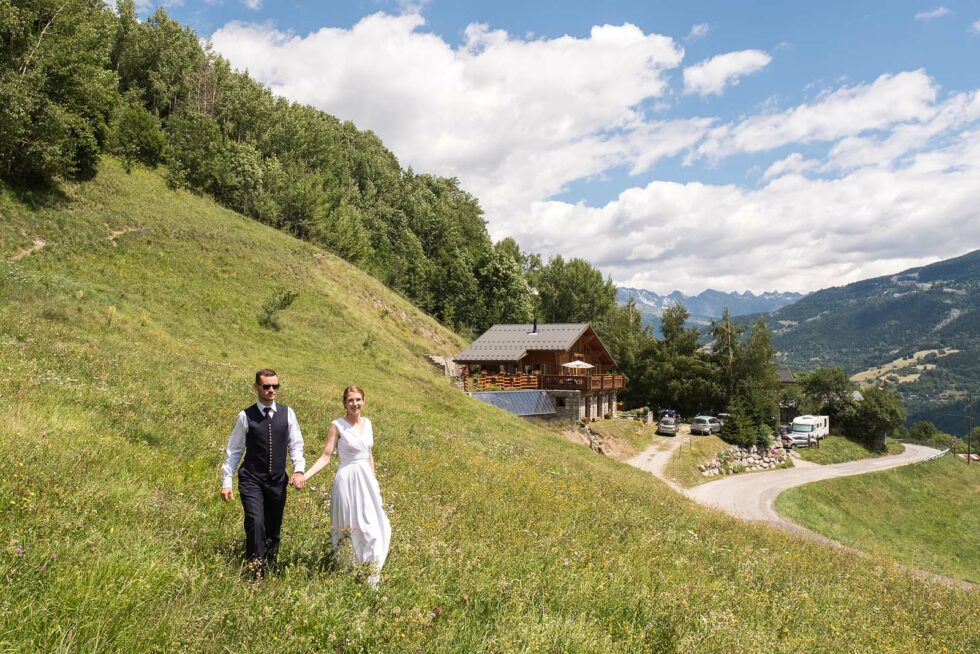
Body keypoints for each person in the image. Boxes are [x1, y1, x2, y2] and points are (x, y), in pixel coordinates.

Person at [302, 384, 391, 589]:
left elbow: (369, 454)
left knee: (375, 527)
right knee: (350, 526)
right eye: (350, 400)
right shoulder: (337, 425)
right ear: (344, 403)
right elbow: (326, 456)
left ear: (363, 401)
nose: (355, 404)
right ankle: (349, 571)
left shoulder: (368, 423)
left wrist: (374, 482)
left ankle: (372, 575)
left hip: (366, 480)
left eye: (358, 399)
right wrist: (305, 476)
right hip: (347, 479)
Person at [220, 369, 306, 577]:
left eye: (275, 386)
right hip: (251, 479)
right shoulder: (245, 416)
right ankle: (254, 572)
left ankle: (269, 567)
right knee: (255, 522)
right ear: (256, 387)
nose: (271, 390)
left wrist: (299, 470)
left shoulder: (288, 413)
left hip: (277, 481)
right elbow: (234, 450)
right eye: (266, 386)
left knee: (273, 527)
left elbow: (295, 444)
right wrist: (226, 481)